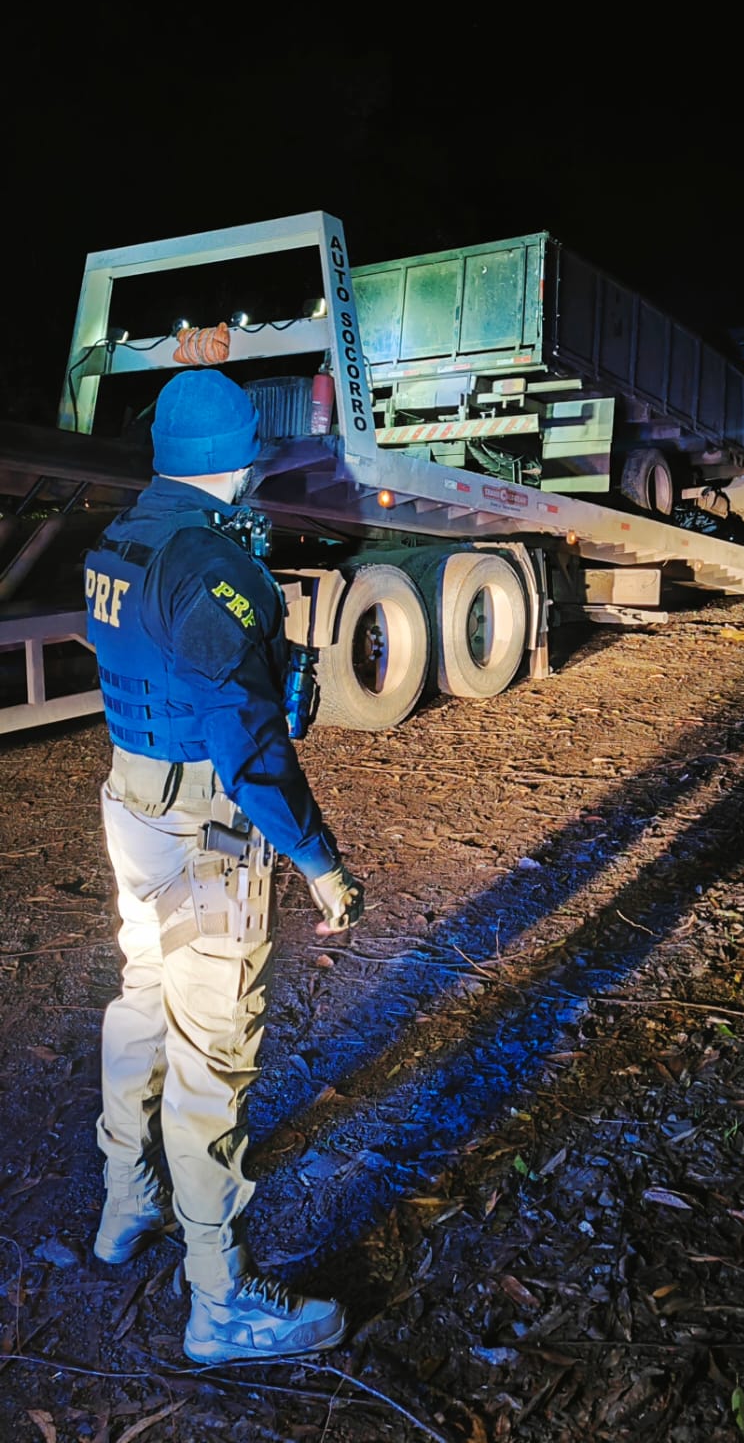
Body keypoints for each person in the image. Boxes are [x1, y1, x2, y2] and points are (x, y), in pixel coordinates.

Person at [83, 367, 363, 1365]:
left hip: (131, 801)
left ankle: (125, 1199)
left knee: (140, 997)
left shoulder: (119, 540)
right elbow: (248, 747)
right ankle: (220, 1299)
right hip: (202, 830)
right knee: (212, 1056)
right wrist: (318, 859)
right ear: (236, 461)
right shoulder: (209, 567)